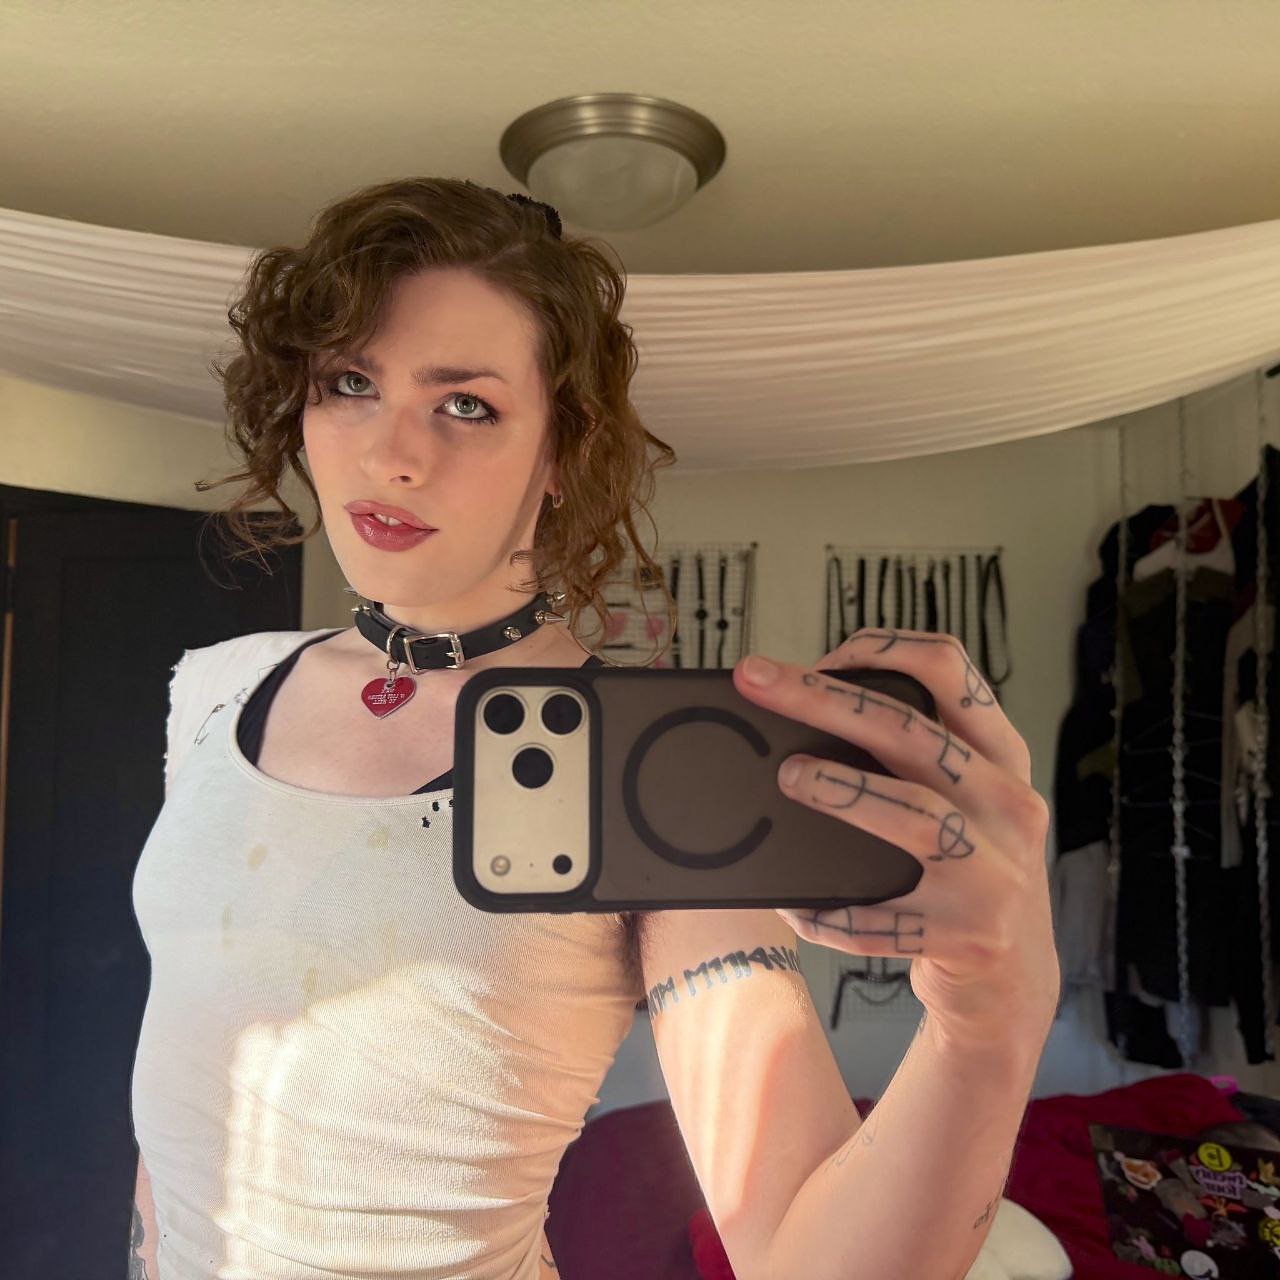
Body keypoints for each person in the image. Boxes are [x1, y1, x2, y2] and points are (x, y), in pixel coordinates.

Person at [129, 176, 1061, 1280]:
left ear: (562, 453)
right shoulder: (215, 688)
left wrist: (992, 1019)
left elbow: (806, 1261)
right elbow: (188, 1068)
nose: (390, 454)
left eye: (465, 404)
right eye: (351, 383)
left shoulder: (642, 770)